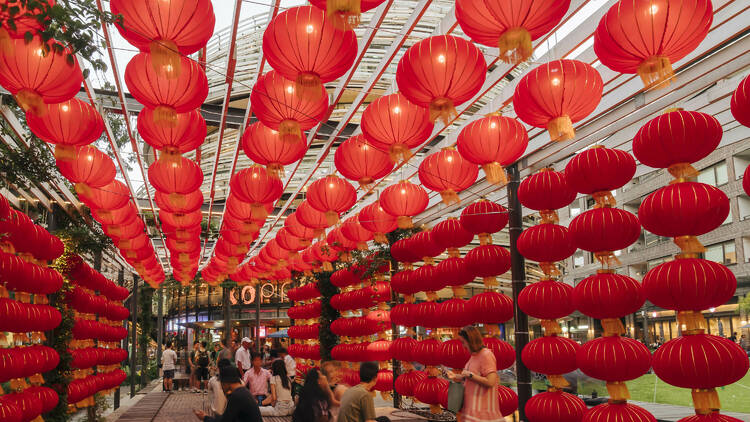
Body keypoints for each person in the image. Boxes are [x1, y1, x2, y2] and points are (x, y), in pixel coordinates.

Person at [448, 326, 501, 422]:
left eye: (463, 342)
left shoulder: (486, 355)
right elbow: (469, 377)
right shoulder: (474, 356)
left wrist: (469, 375)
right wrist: (455, 376)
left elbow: (491, 381)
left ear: (471, 341)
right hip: (471, 409)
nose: (463, 346)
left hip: (483, 412)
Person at [194, 365, 262, 422]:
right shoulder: (243, 391)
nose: (221, 388)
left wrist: (205, 418)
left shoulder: (236, 396)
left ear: (225, 383)